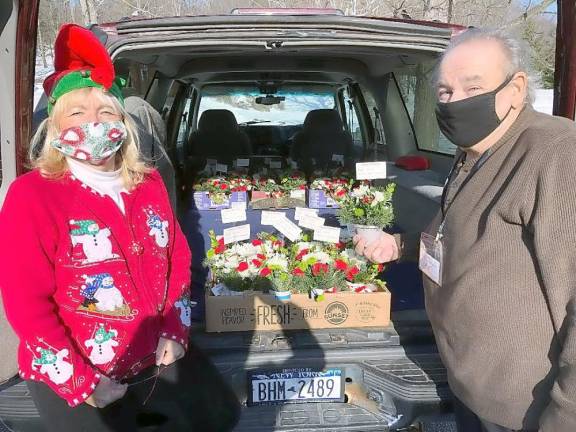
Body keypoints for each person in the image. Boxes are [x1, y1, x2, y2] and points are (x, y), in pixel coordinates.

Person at [0, 24, 238, 432]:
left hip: (151, 358)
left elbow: (177, 260)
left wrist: (175, 331)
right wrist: (82, 382)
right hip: (77, 374)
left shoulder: (148, 184)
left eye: (106, 111)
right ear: (56, 128)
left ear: (122, 124)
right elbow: (27, 306)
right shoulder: (32, 195)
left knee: (220, 414)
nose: (94, 122)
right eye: (77, 113)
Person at [354, 28, 576, 432]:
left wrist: (564, 417)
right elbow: (463, 236)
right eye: (444, 92)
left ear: (516, 88)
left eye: (473, 86)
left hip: (524, 409)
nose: (456, 103)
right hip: (471, 385)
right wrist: (398, 245)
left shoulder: (557, 153)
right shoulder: (475, 151)